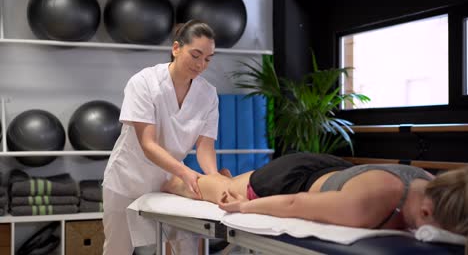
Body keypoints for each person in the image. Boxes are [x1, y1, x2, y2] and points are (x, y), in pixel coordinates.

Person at [102, 20, 220, 255]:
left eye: (207, 59)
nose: (200, 64)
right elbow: (148, 144)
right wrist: (185, 172)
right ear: (176, 48)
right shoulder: (144, 83)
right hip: (129, 178)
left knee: (184, 246)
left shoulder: (208, 94)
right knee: (118, 249)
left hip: (170, 182)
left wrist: (214, 178)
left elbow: (205, 147)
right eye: (195, 55)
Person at [162, 152, 468, 241]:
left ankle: (230, 179)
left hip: (336, 172)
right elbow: (295, 204)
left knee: (233, 183)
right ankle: (181, 183)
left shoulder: (433, 183)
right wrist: (244, 206)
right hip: (291, 181)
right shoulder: (365, 206)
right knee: (218, 193)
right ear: (427, 214)